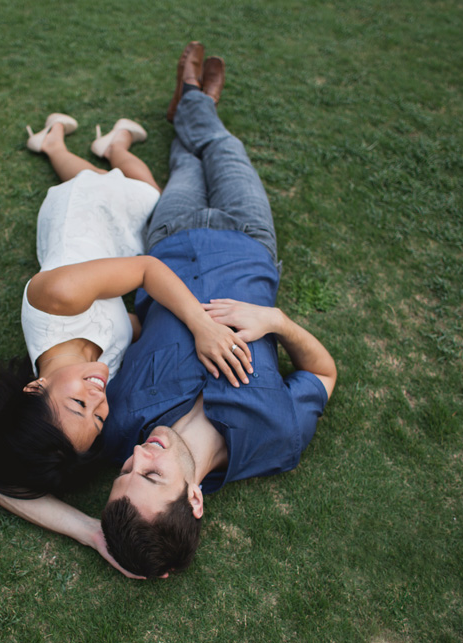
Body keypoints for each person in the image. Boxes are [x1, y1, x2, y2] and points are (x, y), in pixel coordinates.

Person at [99, 42, 337, 577]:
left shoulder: (116, 424)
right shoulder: (278, 438)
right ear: (196, 499)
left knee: (186, 160)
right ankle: (194, 101)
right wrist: (276, 322)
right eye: (152, 475)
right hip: (250, 241)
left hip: (172, 237)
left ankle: (191, 99)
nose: (141, 455)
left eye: (126, 470)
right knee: (223, 146)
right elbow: (323, 372)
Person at [0, 105, 252, 503]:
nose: (100, 399)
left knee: (143, 193)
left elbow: (148, 270)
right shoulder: (100, 377)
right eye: (98, 418)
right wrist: (88, 533)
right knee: (117, 190)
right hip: (111, 253)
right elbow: (125, 326)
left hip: (79, 218)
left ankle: (95, 146)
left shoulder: (55, 301)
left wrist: (201, 325)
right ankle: (68, 143)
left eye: (79, 403)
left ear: (35, 388)